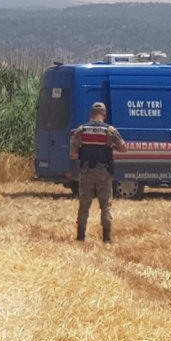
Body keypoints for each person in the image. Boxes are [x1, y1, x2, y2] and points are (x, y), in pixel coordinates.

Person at [70, 102, 127, 243]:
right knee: (105, 206)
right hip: (104, 173)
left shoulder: (81, 130)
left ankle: (81, 237)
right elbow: (123, 148)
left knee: (84, 205)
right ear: (104, 115)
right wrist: (111, 146)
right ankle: (107, 238)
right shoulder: (110, 130)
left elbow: (72, 151)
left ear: (91, 114)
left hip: (86, 172)